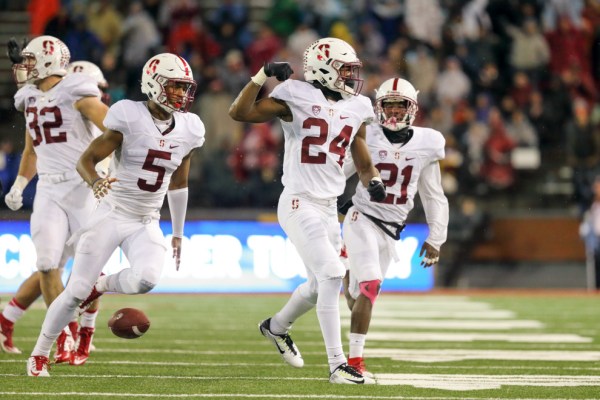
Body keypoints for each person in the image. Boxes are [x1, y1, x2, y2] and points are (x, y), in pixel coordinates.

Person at [27, 52, 205, 377]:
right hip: (112, 214)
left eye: (185, 87)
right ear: (155, 84)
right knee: (73, 293)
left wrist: (178, 231)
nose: (182, 93)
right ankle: (39, 353)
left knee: (147, 278)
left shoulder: (190, 128)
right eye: (176, 86)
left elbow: (179, 181)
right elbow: (86, 160)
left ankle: (102, 284)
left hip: (146, 220)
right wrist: (95, 182)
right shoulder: (128, 115)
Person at [229, 37, 386, 384]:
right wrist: (261, 75)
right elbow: (239, 113)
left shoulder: (358, 104)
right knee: (332, 274)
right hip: (299, 200)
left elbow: (358, 147)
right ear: (323, 69)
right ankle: (337, 366)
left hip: (329, 208)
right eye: (344, 69)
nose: (350, 76)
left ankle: (276, 326)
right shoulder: (295, 93)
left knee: (318, 287)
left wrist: (371, 177)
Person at [1, 36, 109, 364]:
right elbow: (33, 148)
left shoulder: (76, 89)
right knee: (48, 264)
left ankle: (82, 333)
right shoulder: (30, 96)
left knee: (90, 270)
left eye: (31, 61)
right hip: (48, 188)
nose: (24, 67)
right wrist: (20, 183)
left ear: (48, 62)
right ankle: (65, 334)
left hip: (83, 189)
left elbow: (115, 128)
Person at [339, 78, 449, 376]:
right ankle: (354, 363)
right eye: (389, 105)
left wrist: (436, 237)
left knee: (362, 294)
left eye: (401, 106)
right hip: (361, 216)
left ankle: (346, 273)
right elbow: (339, 172)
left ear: (412, 108)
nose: (395, 111)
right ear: (379, 106)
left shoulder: (428, 142)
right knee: (371, 284)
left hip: (391, 228)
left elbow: (433, 195)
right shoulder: (367, 135)